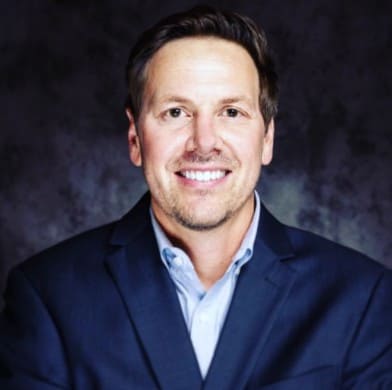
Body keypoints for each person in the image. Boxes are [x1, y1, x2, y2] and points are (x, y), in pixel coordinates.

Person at [0, 6, 391, 389]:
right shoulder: (48, 297)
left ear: (267, 138)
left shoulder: (363, 298)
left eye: (232, 112)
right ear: (135, 138)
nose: (203, 143)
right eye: (175, 112)